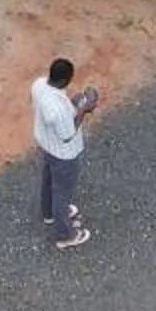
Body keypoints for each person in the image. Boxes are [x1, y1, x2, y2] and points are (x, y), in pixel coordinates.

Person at [30, 56, 99, 250]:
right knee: (62, 191)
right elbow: (68, 134)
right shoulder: (58, 111)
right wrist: (85, 109)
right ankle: (64, 234)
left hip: (46, 145)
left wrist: (73, 102)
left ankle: (49, 214)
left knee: (48, 180)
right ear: (65, 80)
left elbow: (57, 110)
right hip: (64, 154)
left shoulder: (39, 85)